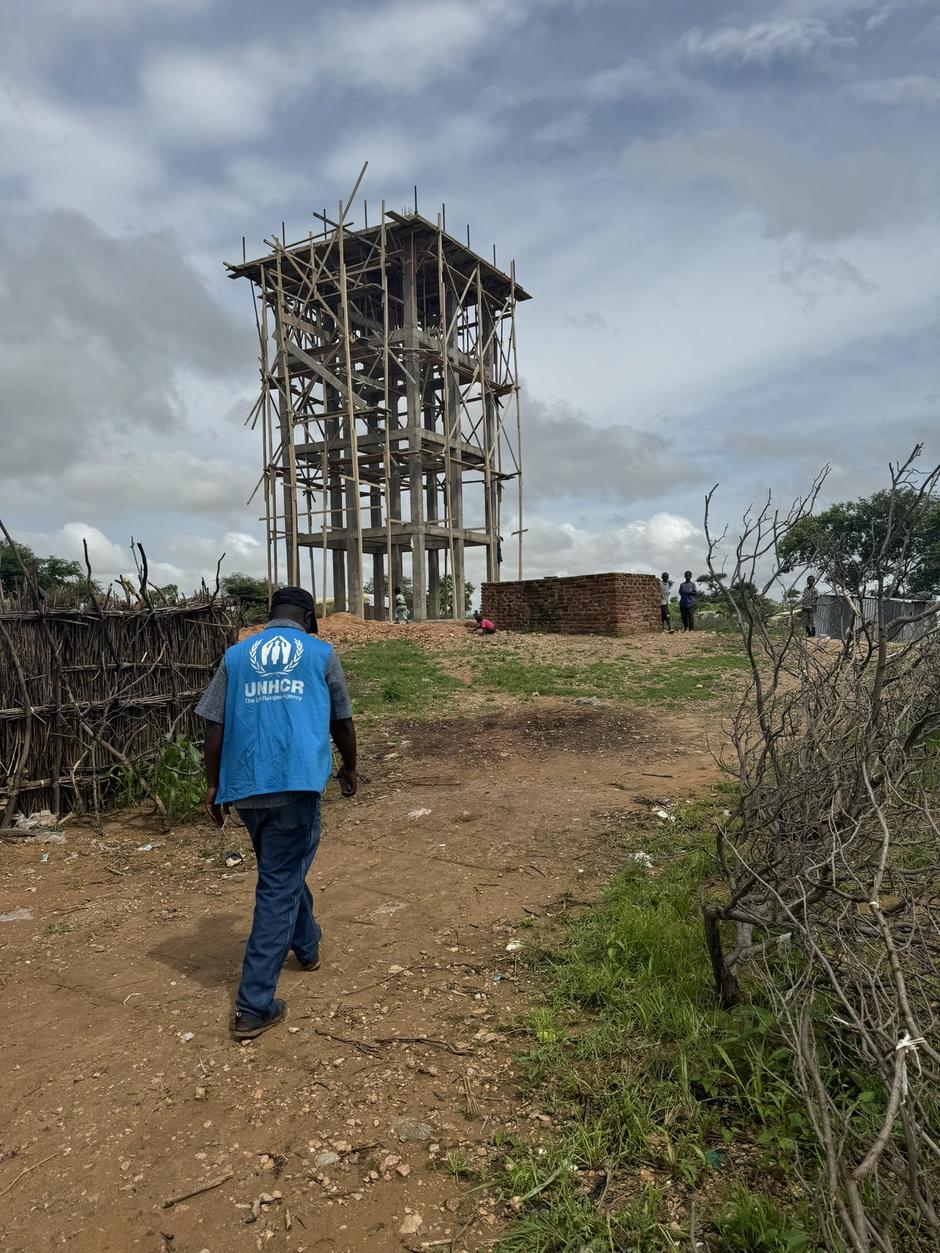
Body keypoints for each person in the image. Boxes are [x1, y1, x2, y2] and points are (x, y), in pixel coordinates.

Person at [197, 586, 358, 1041]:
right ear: (309, 618)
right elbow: (341, 721)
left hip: (246, 787)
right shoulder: (321, 653)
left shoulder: (236, 656)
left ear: (270, 616)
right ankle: (254, 1005)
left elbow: (214, 724)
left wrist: (212, 785)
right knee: (279, 883)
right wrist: (350, 767)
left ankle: (307, 946)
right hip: (296, 783)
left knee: (280, 870)